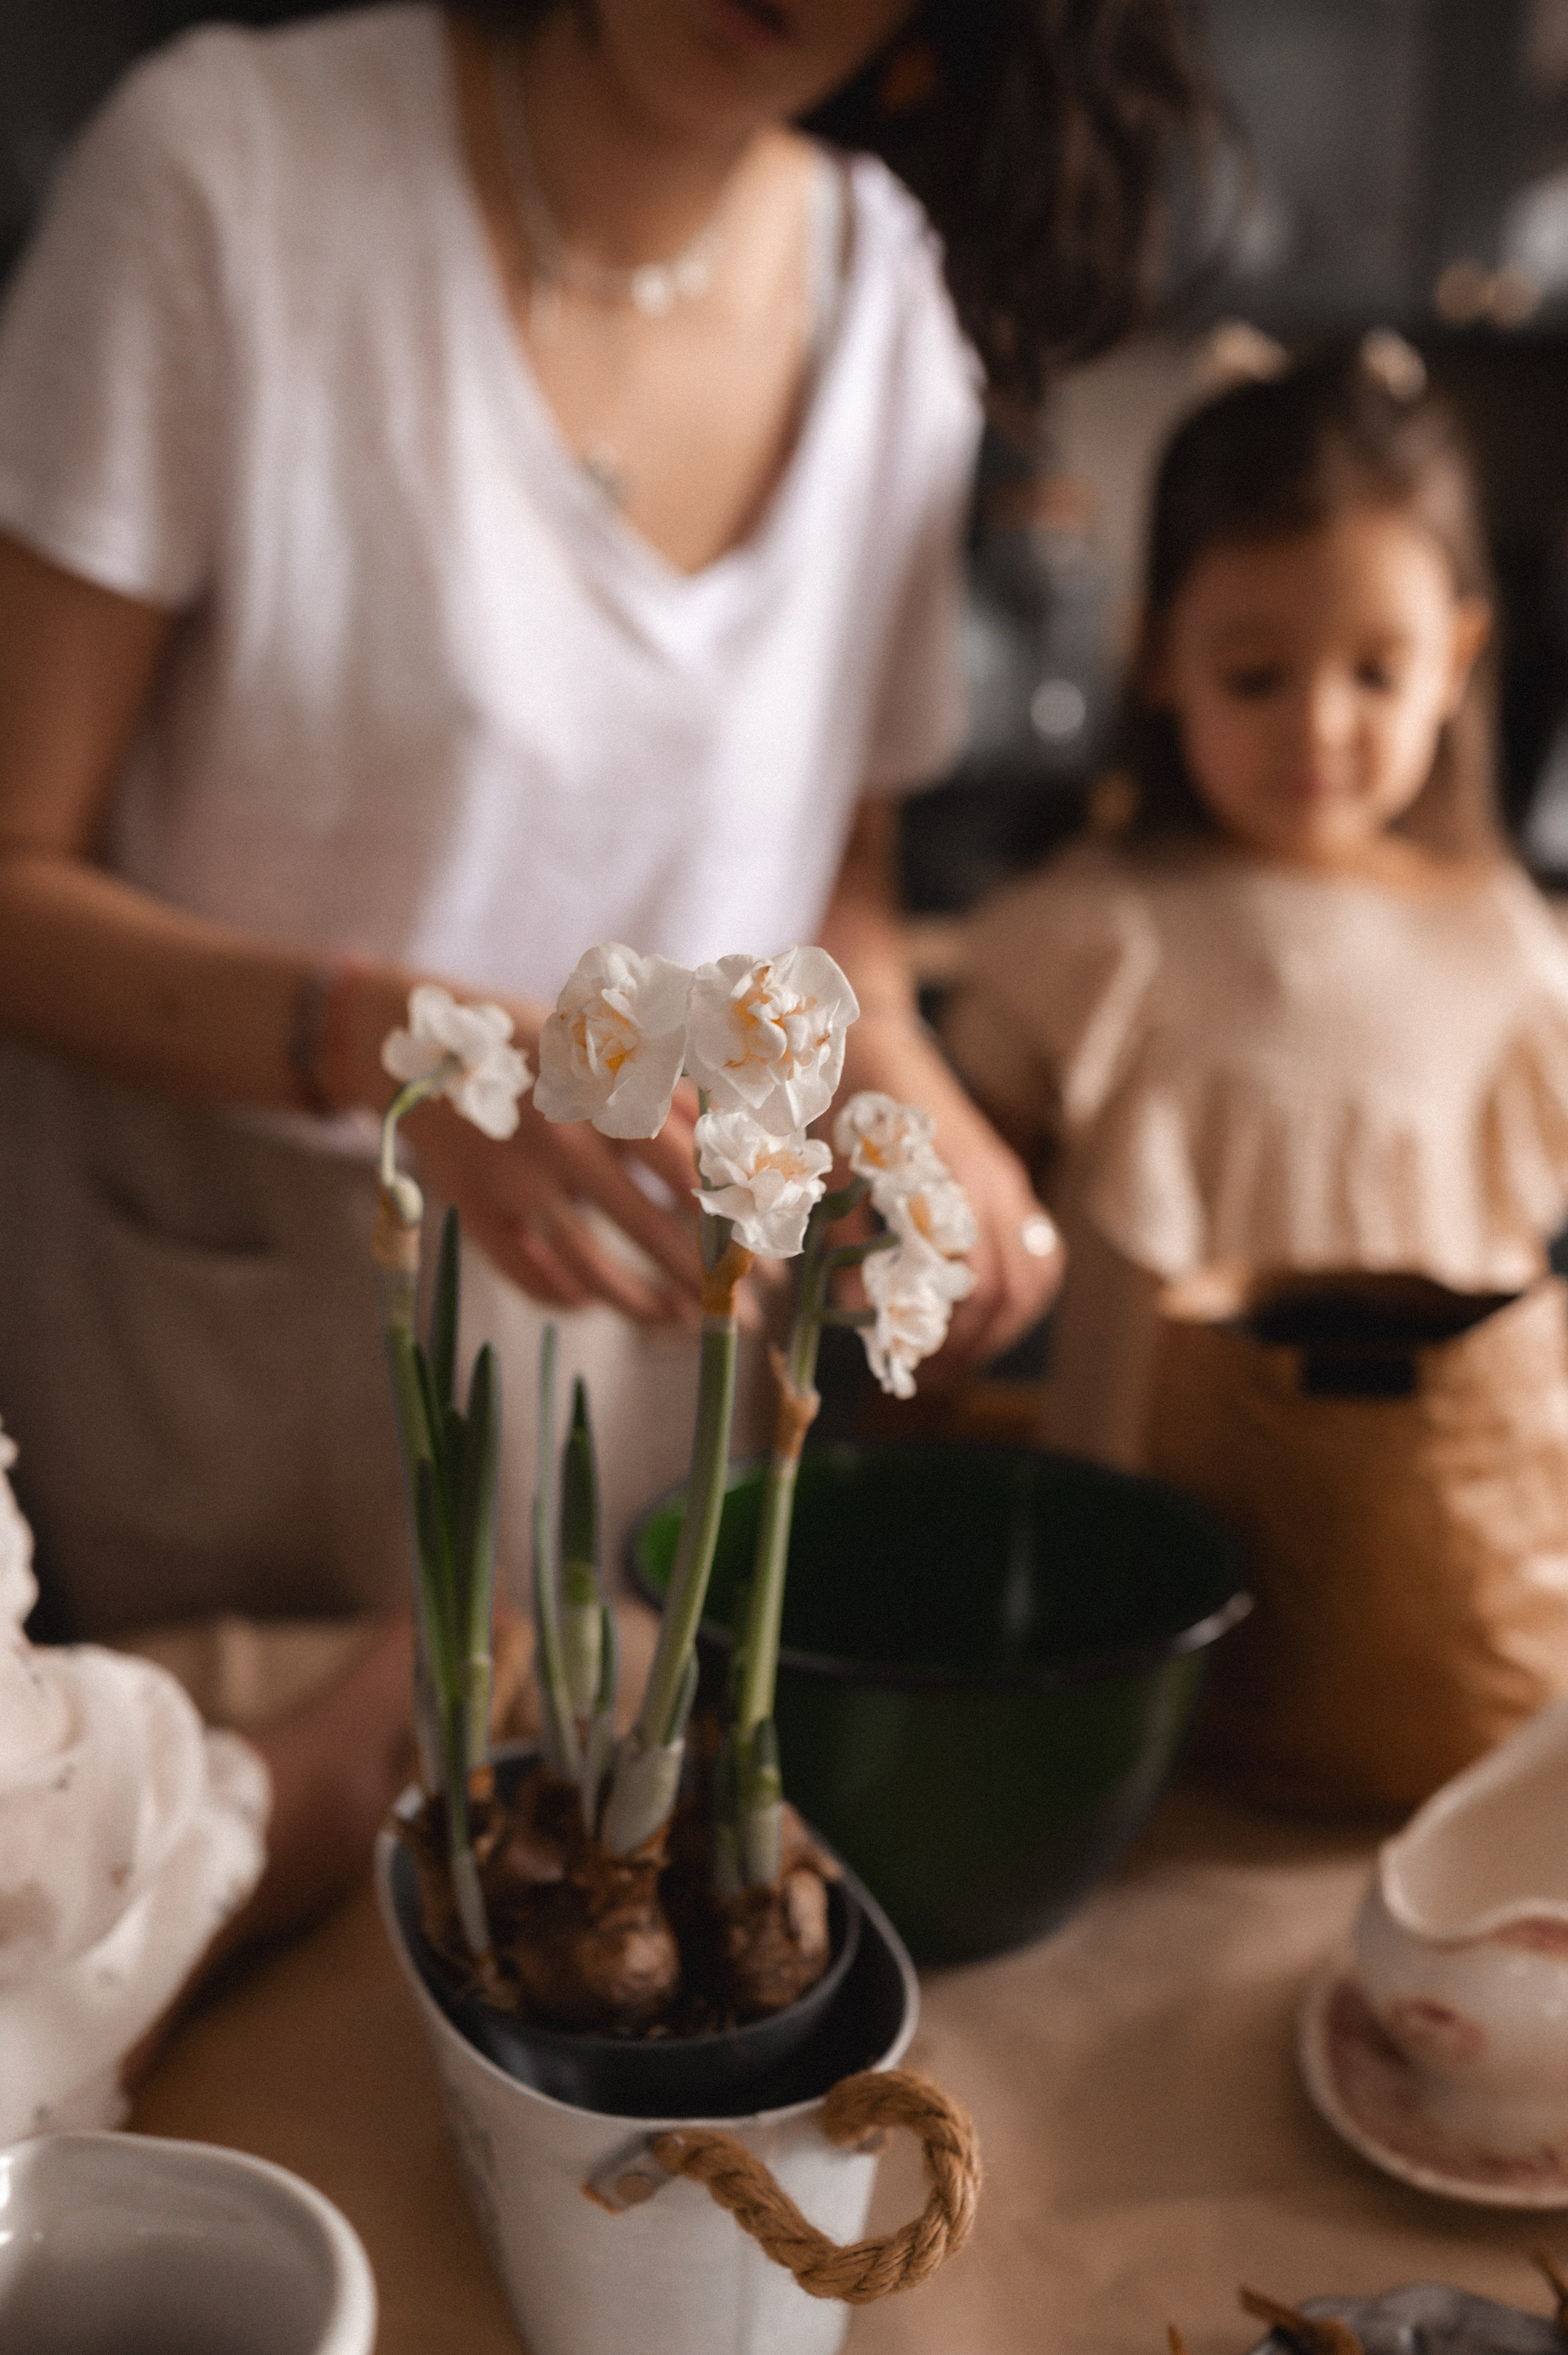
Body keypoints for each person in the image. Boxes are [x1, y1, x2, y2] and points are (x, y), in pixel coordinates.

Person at [0, 0, 1208, 1927]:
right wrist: (393, 1044)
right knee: (180, 1945)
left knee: (580, 1898)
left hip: (647, 1327)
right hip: (245, 1328)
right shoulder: (226, 181)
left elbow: (838, 900)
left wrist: (917, 1100)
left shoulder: (889, 300)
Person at [947, 335, 1568, 1468]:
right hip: (1146, 1542)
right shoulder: (1090, 939)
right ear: (1157, 659)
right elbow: (947, 1238)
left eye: (1375, 671)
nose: (1318, 726)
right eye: (1255, 675)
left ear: (1458, 661)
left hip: (1417, 1544)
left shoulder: (1510, 955)